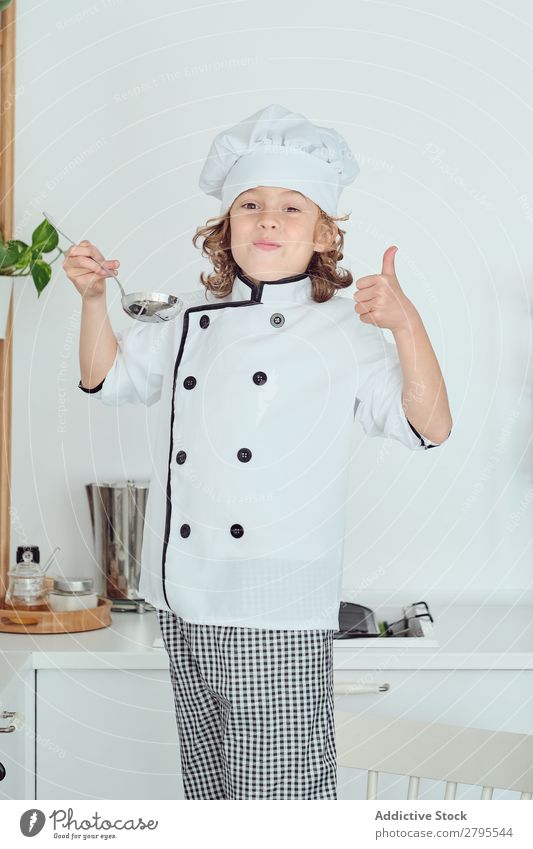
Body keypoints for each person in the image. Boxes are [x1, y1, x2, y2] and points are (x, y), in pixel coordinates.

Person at [64, 103, 453, 800]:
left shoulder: (344, 328)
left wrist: (406, 323)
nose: (267, 219)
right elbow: (107, 378)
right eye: (249, 205)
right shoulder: (184, 314)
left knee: (279, 809)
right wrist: (93, 300)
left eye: (289, 208)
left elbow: (427, 425)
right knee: (211, 800)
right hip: (183, 597)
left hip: (273, 603)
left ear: (323, 233)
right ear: (224, 228)